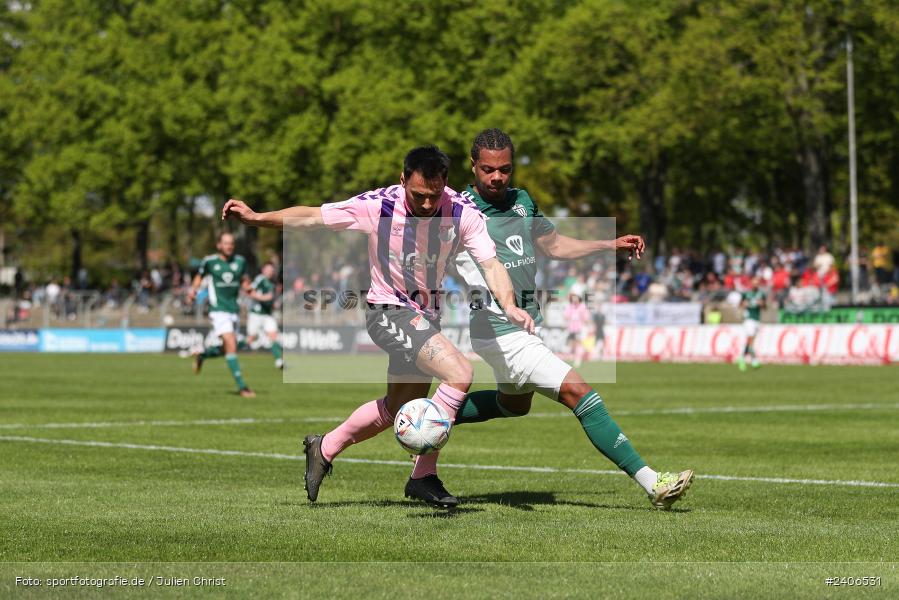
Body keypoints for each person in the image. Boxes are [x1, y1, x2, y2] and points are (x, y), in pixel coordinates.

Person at [222, 145, 534, 506]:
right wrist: (258, 218)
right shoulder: (378, 205)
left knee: (397, 407)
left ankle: (324, 447)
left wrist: (508, 304)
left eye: (434, 195)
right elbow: (312, 216)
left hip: (426, 316)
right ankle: (424, 476)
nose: (428, 204)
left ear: (445, 183)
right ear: (402, 180)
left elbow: (491, 263)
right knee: (460, 373)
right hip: (387, 311)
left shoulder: (462, 212)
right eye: (419, 195)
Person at [408, 129, 693, 510]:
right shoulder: (459, 209)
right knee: (582, 394)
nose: (497, 178)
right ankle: (653, 481)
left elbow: (555, 245)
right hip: (499, 330)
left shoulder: (522, 200)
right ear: (473, 166)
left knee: (514, 406)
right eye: (488, 170)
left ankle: (433, 416)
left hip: (523, 326)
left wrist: (608, 245)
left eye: (505, 169)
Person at [188, 232, 256, 398]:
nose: (229, 246)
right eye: (226, 243)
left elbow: (243, 280)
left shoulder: (240, 262)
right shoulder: (210, 262)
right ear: (219, 245)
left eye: (231, 243)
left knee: (231, 347)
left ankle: (202, 355)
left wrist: (247, 287)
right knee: (232, 345)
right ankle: (242, 387)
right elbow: (199, 276)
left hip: (234, 310)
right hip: (218, 310)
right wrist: (193, 290)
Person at [246, 262, 284, 369]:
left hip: (267, 315)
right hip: (256, 314)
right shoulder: (260, 279)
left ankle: (279, 361)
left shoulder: (272, 283)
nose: (270, 272)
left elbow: (270, 299)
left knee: (273, 335)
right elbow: (250, 291)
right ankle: (229, 350)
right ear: (263, 270)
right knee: (250, 339)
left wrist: (273, 304)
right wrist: (264, 298)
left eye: (271, 270)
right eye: (268, 269)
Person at [737, 276, 766, 371]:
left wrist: (762, 304)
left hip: (757, 319)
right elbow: (740, 304)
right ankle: (754, 360)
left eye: (757, 283)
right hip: (749, 319)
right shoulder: (746, 294)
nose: (755, 285)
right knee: (750, 339)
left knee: (750, 341)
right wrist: (743, 305)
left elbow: (765, 307)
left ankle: (741, 358)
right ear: (751, 284)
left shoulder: (761, 294)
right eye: (754, 283)